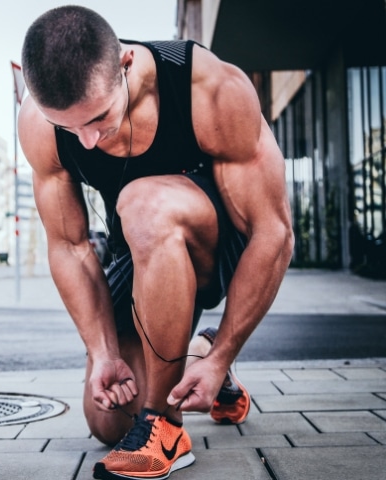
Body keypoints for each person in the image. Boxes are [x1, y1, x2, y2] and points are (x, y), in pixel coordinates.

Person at [18, 6, 294, 479]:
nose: (86, 141)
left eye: (99, 118)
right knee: (108, 420)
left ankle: (164, 428)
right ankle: (197, 359)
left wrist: (230, 347)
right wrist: (102, 352)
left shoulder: (207, 86)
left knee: (142, 202)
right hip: (140, 250)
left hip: (216, 244)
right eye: (70, 128)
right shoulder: (40, 121)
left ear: (125, 65)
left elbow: (274, 232)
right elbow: (70, 245)